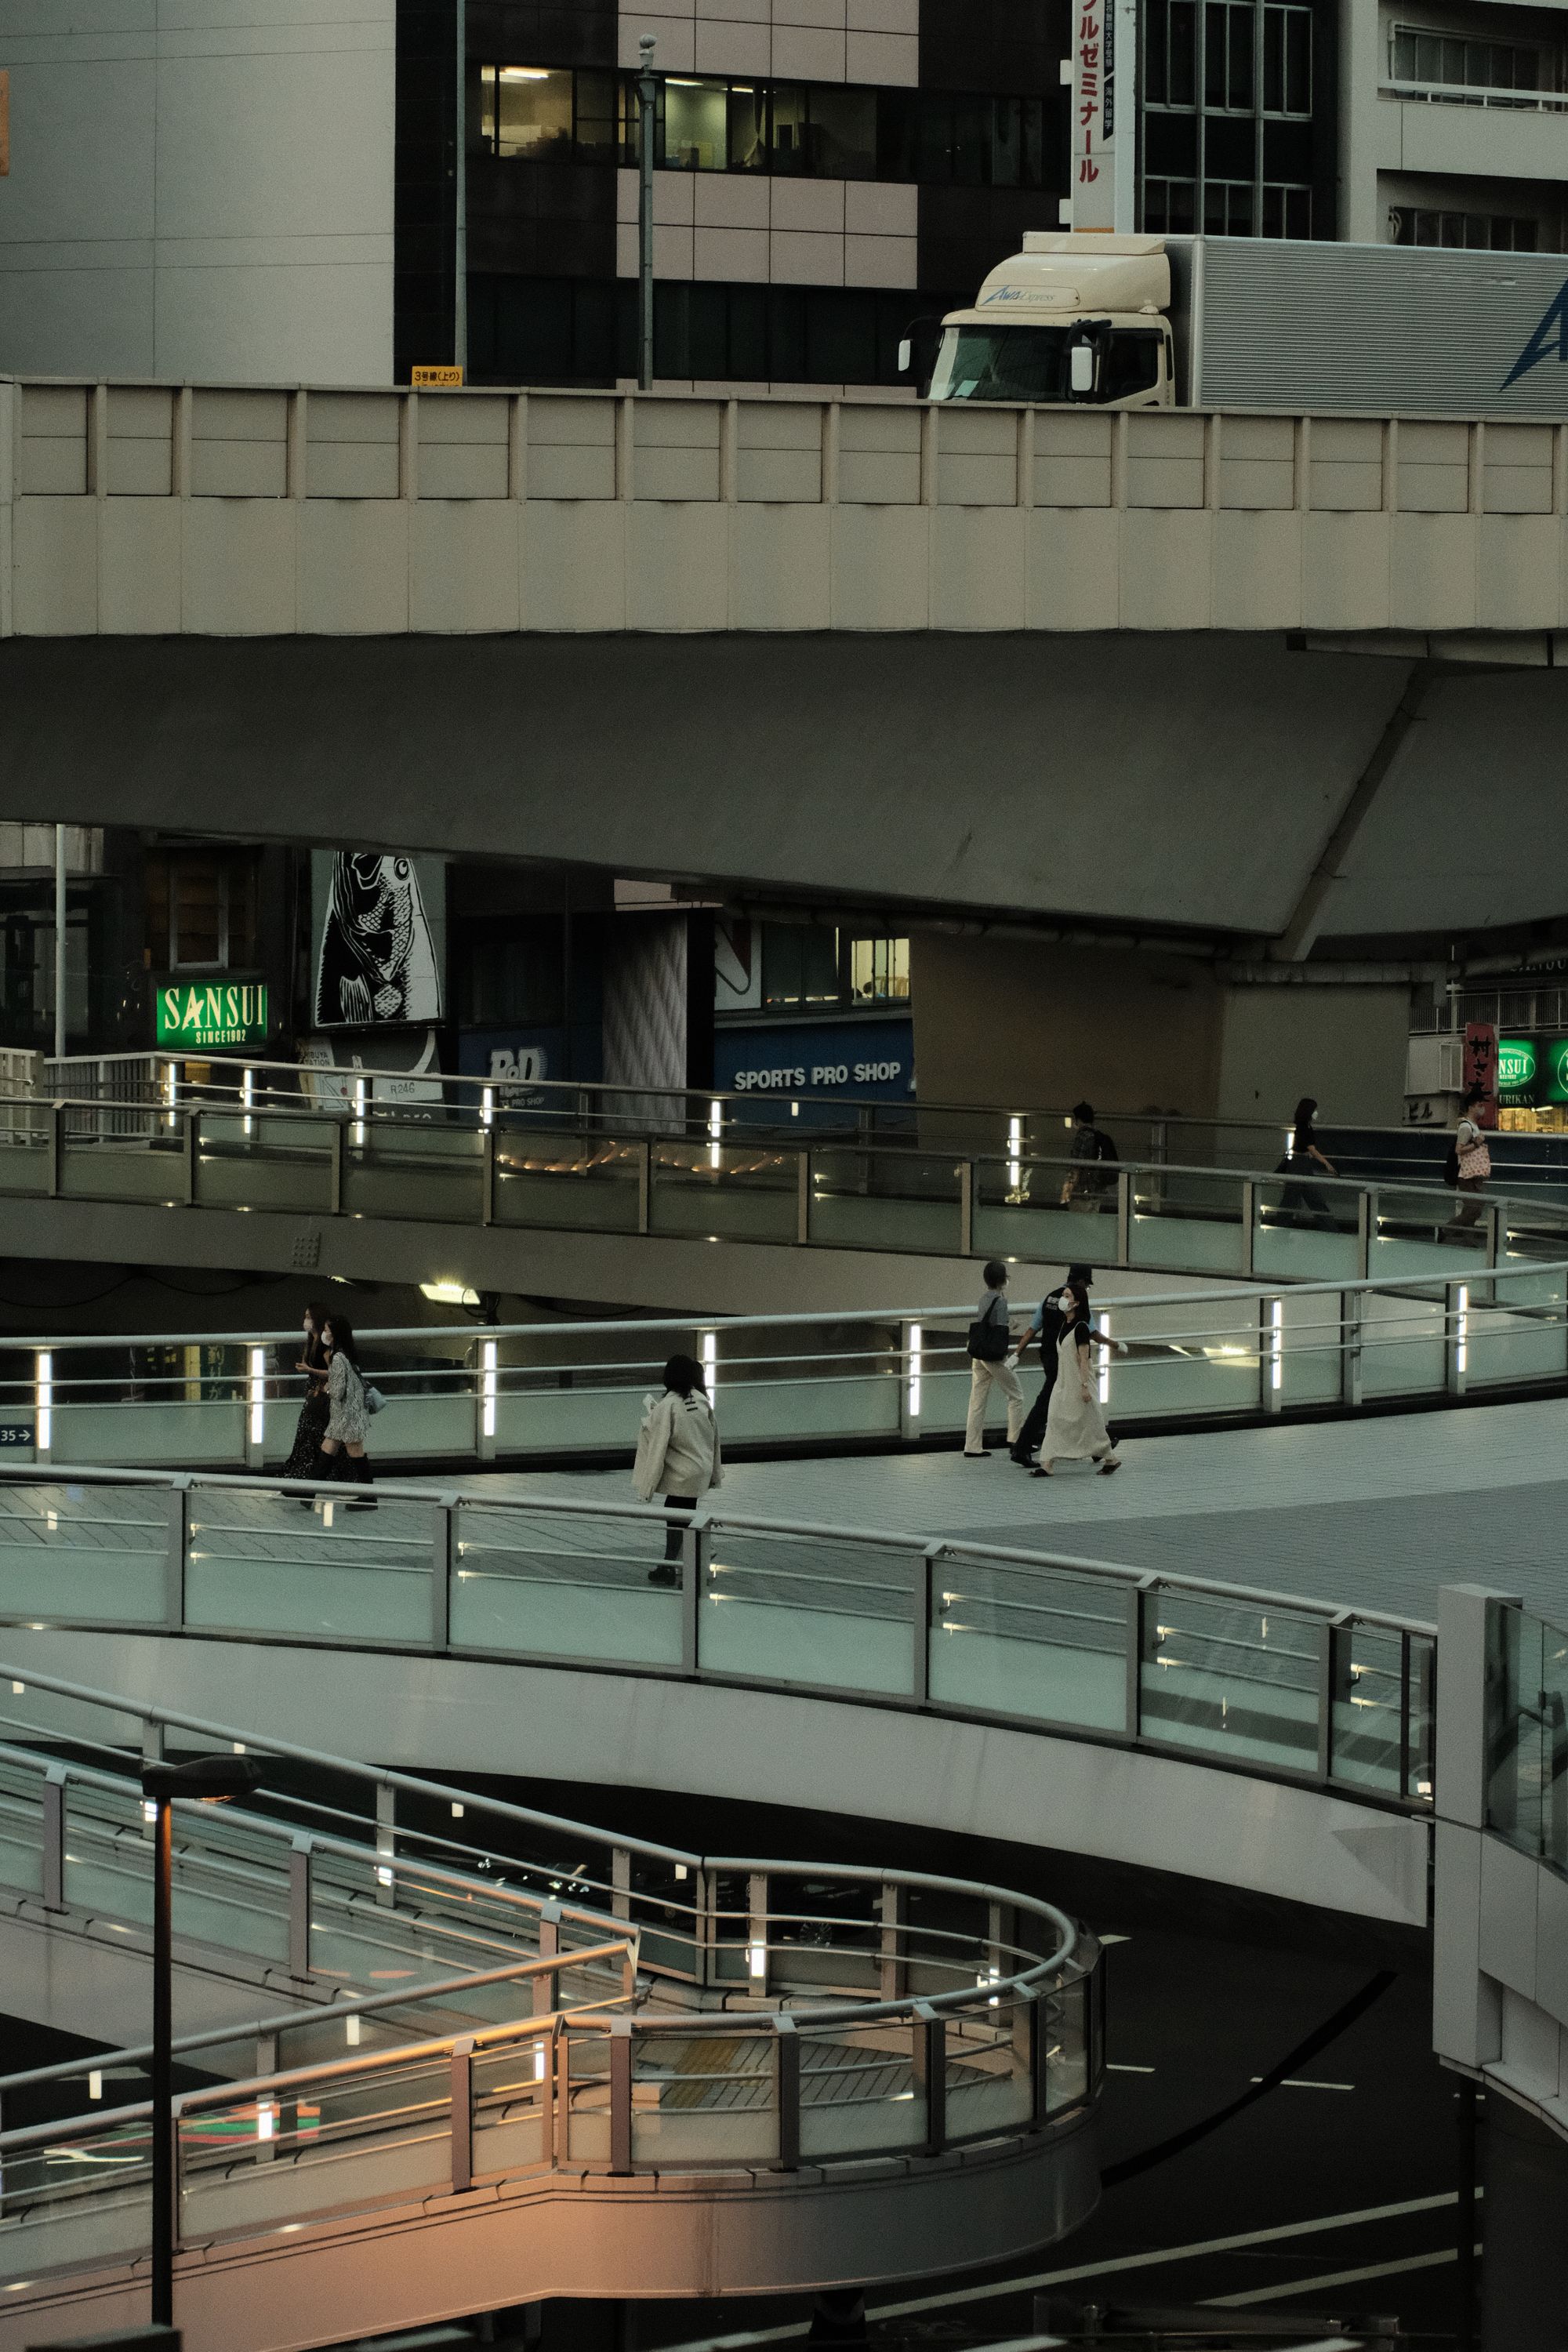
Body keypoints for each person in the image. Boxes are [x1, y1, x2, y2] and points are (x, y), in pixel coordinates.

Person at [634, 1354, 723, 1585]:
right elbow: (713, 1438)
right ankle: (677, 1565)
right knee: (683, 1519)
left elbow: (658, 1445)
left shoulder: (669, 1405)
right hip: (699, 1472)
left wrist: (647, 1487)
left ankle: (681, 1564)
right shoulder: (700, 1399)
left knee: (675, 1520)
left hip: (683, 1475)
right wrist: (715, 1473)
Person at [1010, 1265, 1093, 1467]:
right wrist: (1113, 1344)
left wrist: (1016, 1354)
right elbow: (1091, 1331)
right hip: (1064, 1357)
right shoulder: (1077, 1300)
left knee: (1069, 1400)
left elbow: (1033, 1328)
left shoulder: (1049, 1298)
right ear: (1082, 1282)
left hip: (1047, 1354)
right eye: (1087, 1284)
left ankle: (1096, 1448)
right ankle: (1021, 1448)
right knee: (1049, 1401)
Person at [1036, 1278, 1120, 1476]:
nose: (1062, 1300)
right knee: (1055, 1417)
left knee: (1090, 1421)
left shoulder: (1081, 1328)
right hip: (1064, 1382)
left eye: (1067, 1297)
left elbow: (1084, 1359)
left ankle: (1110, 1458)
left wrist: (1084, 1386)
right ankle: (1046, 1463)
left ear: (1077, 1303)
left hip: (1079, 1382)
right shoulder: (1064, 1325)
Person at [964, 1259, 1025, 1458]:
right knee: (1016, 1395)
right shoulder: (1001, 1301)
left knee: (977, 1399)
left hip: (978, 1353)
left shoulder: (983, 1298)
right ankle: (1016, 1441)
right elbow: (1001, 1331)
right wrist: (1013, 1326)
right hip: (993, 1357)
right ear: (1002, 1280)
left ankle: (972, 1446)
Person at [319, 1312, 375, 1505]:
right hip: (347, 1414)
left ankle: (369, 1496)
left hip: (347, 1414)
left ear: (334, 1334)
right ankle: (307, 1493)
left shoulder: (338, 1357)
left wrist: (326, 1389)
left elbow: (338, 1390)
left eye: (326, 1330)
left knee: (355, 1451)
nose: (323, 1334)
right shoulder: (347, 1354)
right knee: (328, 1447)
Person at [281, 1302, 331, 1500]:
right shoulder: (312, 1340)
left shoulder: (326, 1342)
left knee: (314, 1439)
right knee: (312, 1440)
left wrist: (310, 1370)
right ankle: (304, 1484)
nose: (306, 1320)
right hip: (315, 1397)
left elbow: (334, 1371)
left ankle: (306, 1485)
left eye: (309, 1316)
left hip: (323, 1397)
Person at [1279, 1096, 1336, 1229]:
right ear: (1309, 1111)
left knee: (1291, 1199)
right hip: (1302, 1164)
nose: (1316, 1112)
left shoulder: (1301, 1127)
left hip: (1297, 1164)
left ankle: (1281, 1226)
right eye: (1315, 1110)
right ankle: (1331, 1228)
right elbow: (1312, 1150)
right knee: (1312, 1198)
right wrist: (1327, 1164)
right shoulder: (1305, 1128)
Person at [1061, 1102, 1119, 1207]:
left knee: (1078, 1220)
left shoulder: (1083, 1136)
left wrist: (1067, 1190)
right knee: (1092, 1221)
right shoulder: (1098, 1136)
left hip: (1082, 1192)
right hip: (1097, 1191)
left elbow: (1076, 1166)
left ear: (1078, 1120)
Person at [1453, 1083, 1492, 1229]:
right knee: (1474, 1207)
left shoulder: (1473, 1126)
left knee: (1474, 1208)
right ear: (1471, 1107)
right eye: (1479, 1105)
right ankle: (1447, 1229)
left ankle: (1467, 1238)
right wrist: (1477, 1143)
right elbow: (1459, 1149)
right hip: (1466, 1175)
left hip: (1474, 1174)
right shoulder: (1466, 1127)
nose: (1482, 1109)